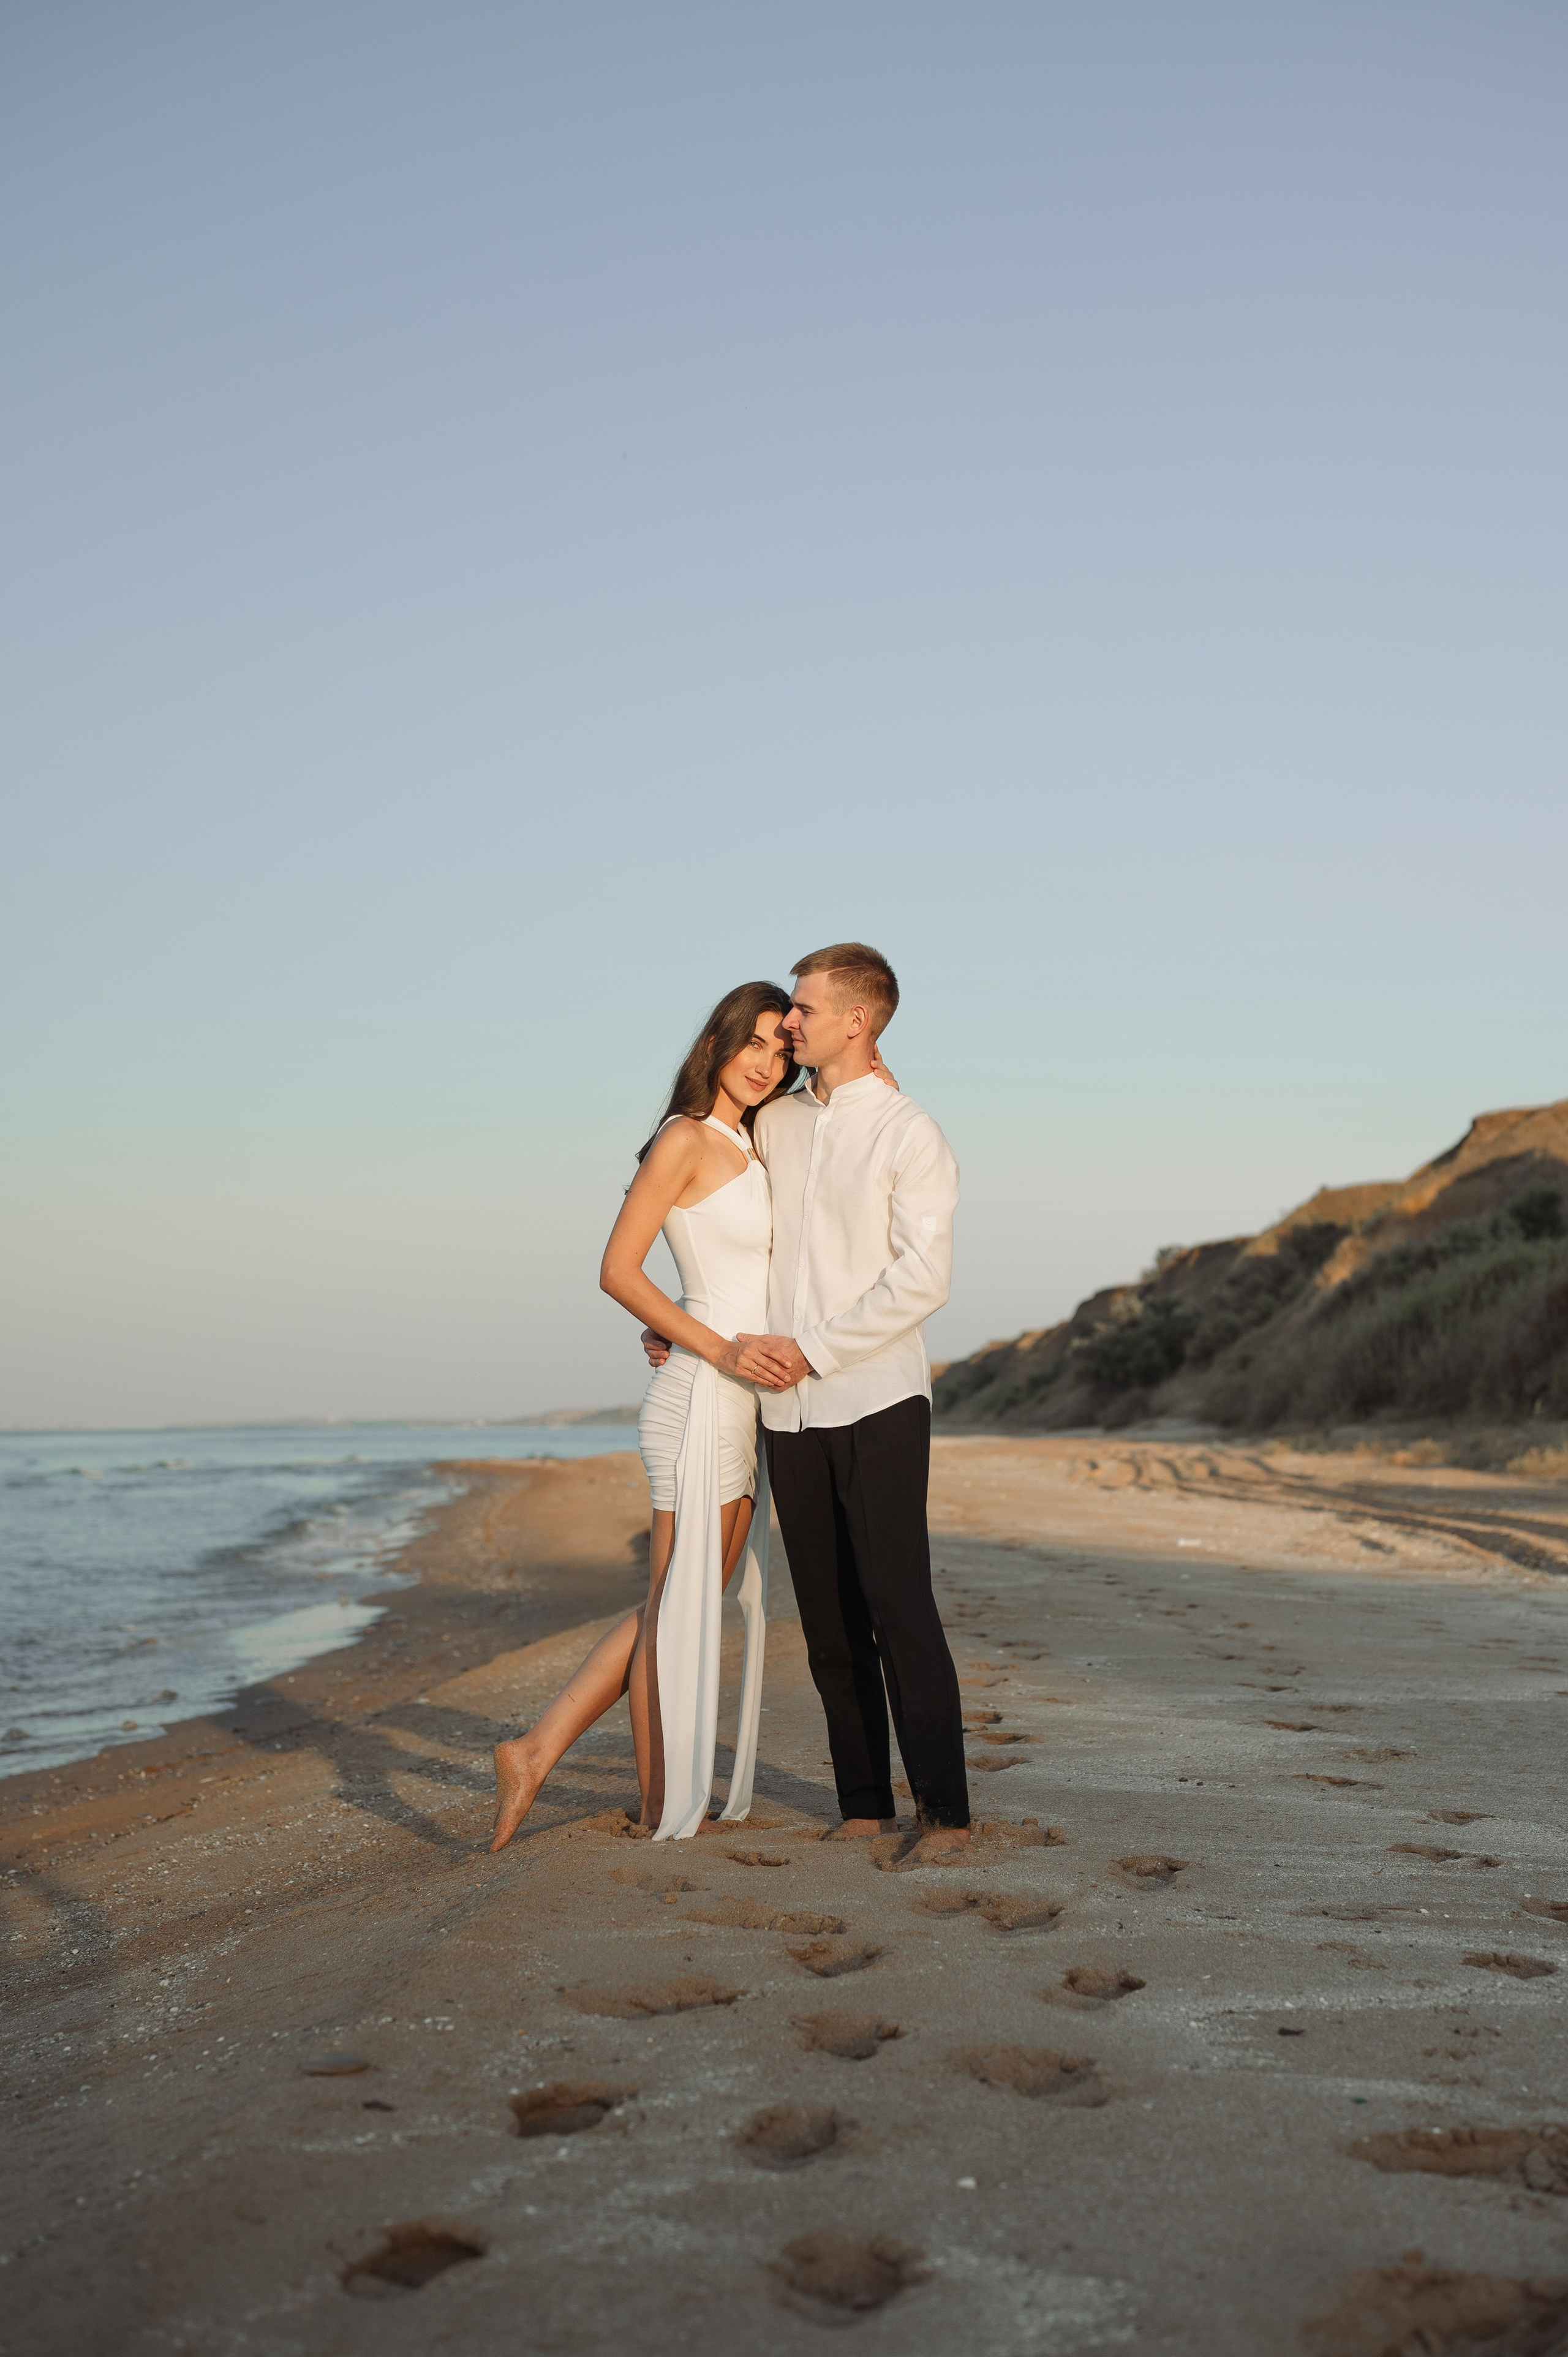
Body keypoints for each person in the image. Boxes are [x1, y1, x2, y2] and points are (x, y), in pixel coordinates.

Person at [644, 943, 969, 1865]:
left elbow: (924, 1279)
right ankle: (863, 1804)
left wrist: (815, 1351)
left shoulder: (911, 1132)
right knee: (827, 1623)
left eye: (806, 1009)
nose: (791, 1023)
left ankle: (946, 1814)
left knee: (900, 1608)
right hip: (785, 1416)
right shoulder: (778, 1124)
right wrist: (681, 1321)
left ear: (857, 1021)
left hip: (875, 1399)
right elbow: (722, 1227)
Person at [489, 983, 800, 1850]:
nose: (767, 1063)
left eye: (784, 1052)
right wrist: (716, 1346)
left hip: (740, 1398)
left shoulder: (757, 1144)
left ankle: (537, 1748)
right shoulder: (684, 1139)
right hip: (701, 1396)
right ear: (721, 1039)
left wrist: (707, 1340)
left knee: (687, 1597)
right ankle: (658, 1797)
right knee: (675, 1605)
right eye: (757, 1043)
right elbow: (619, 1270)